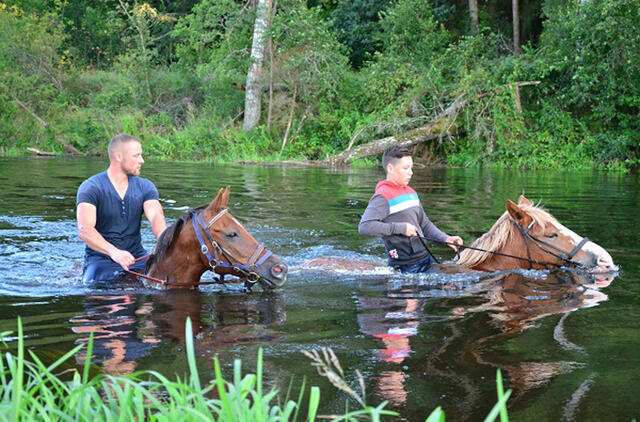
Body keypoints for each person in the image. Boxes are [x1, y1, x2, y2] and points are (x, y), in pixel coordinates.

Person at [76, 134, 167, 284]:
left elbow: (156, 216)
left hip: (138, 259)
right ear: (118, 156)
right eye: (136, 155)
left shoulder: (146, 186)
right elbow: (85, 229)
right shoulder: (91, 187)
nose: (142, 160)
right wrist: (115, 253)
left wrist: (164, 243)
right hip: (101, 262)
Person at [358, 145, 463, 273]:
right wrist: (401, 228)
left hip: (426, 259)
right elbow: (365, 226)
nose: (411, 172)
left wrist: (446, 239)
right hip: (405, 267)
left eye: (411, 168)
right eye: (406, 168)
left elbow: (424, 224)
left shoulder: (411, 193)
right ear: (390, 168)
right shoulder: (382, 196)